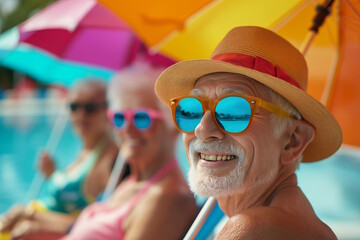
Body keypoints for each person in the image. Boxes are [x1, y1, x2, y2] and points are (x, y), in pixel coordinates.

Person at [155, 26, 342, 239]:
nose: (202, 129)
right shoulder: (305, 225)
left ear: (293, 141)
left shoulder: (249, 229)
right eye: (192, 110)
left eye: (234, 111)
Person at [63, 63, 198, 240]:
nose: (127, 129)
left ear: (173, 126)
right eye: (119, 118)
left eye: (141, 118)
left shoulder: (167, 197)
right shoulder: (134, 181)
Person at [0, 79, 122, 239]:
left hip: (64, 230)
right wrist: (53, 174)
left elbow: (98, 223)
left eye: (90, 108)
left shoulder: (110, 158)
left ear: (108, 110)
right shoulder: (87, 150)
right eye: (74, 107)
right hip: (47, 220)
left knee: (21, 224)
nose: (80, 115)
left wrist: (32, 216)